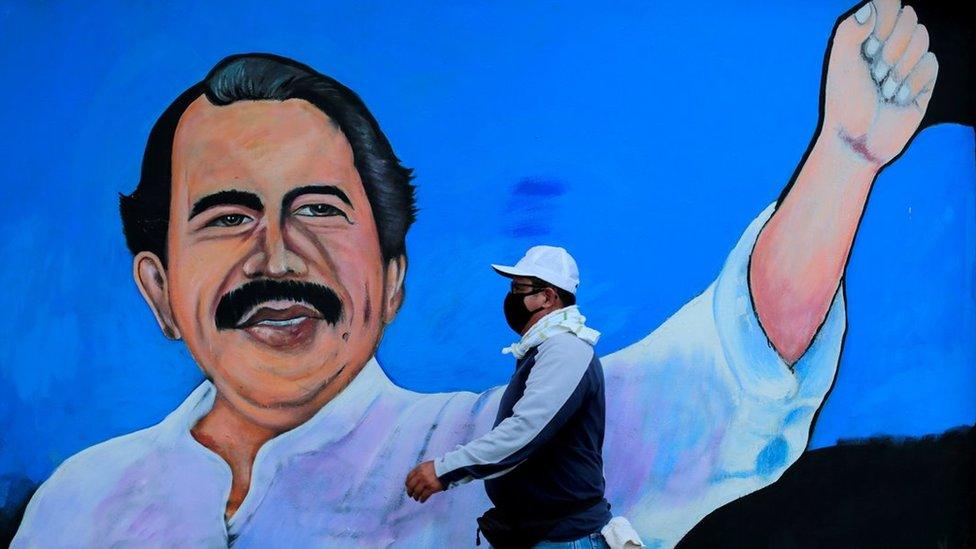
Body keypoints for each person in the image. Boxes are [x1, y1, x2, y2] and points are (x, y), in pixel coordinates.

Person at [12, 1, 939, 546]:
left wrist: (845, 159)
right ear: (158, 288)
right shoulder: (77, 504)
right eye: (225, 216)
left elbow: (718, 382)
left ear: (393, 275)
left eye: (320, 209)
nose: (276, 254)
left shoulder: (488, 445)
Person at [407, 245, 615, 547]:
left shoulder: (565, 350)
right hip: (532, 533)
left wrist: (445, 470)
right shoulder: (544, 349)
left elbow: (525, 433)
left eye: (520, 288)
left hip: (561, 538)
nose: (511, 297)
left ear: (547, 297)